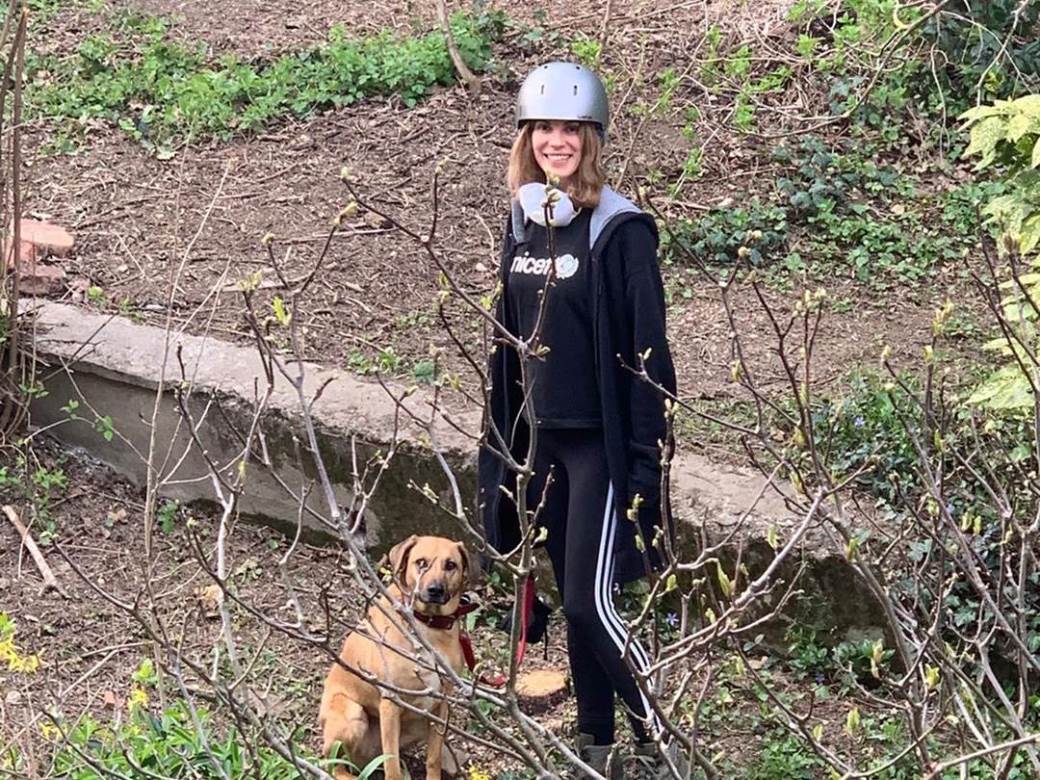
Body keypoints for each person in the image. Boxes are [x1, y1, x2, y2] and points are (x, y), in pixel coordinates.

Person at [477, 61, 683, 778]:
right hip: (542, 443)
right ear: (526, 137)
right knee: (572, 602)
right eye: (543, 128)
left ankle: (660, 742)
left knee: (594, 603)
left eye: (571, 128)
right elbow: (508, 344)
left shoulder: (620, 231)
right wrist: (504, 452)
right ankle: (596, 743)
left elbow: (650, 359)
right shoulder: (522, 222)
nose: (556, 141)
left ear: (592, 138)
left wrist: (645, 465)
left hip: (599, 446)